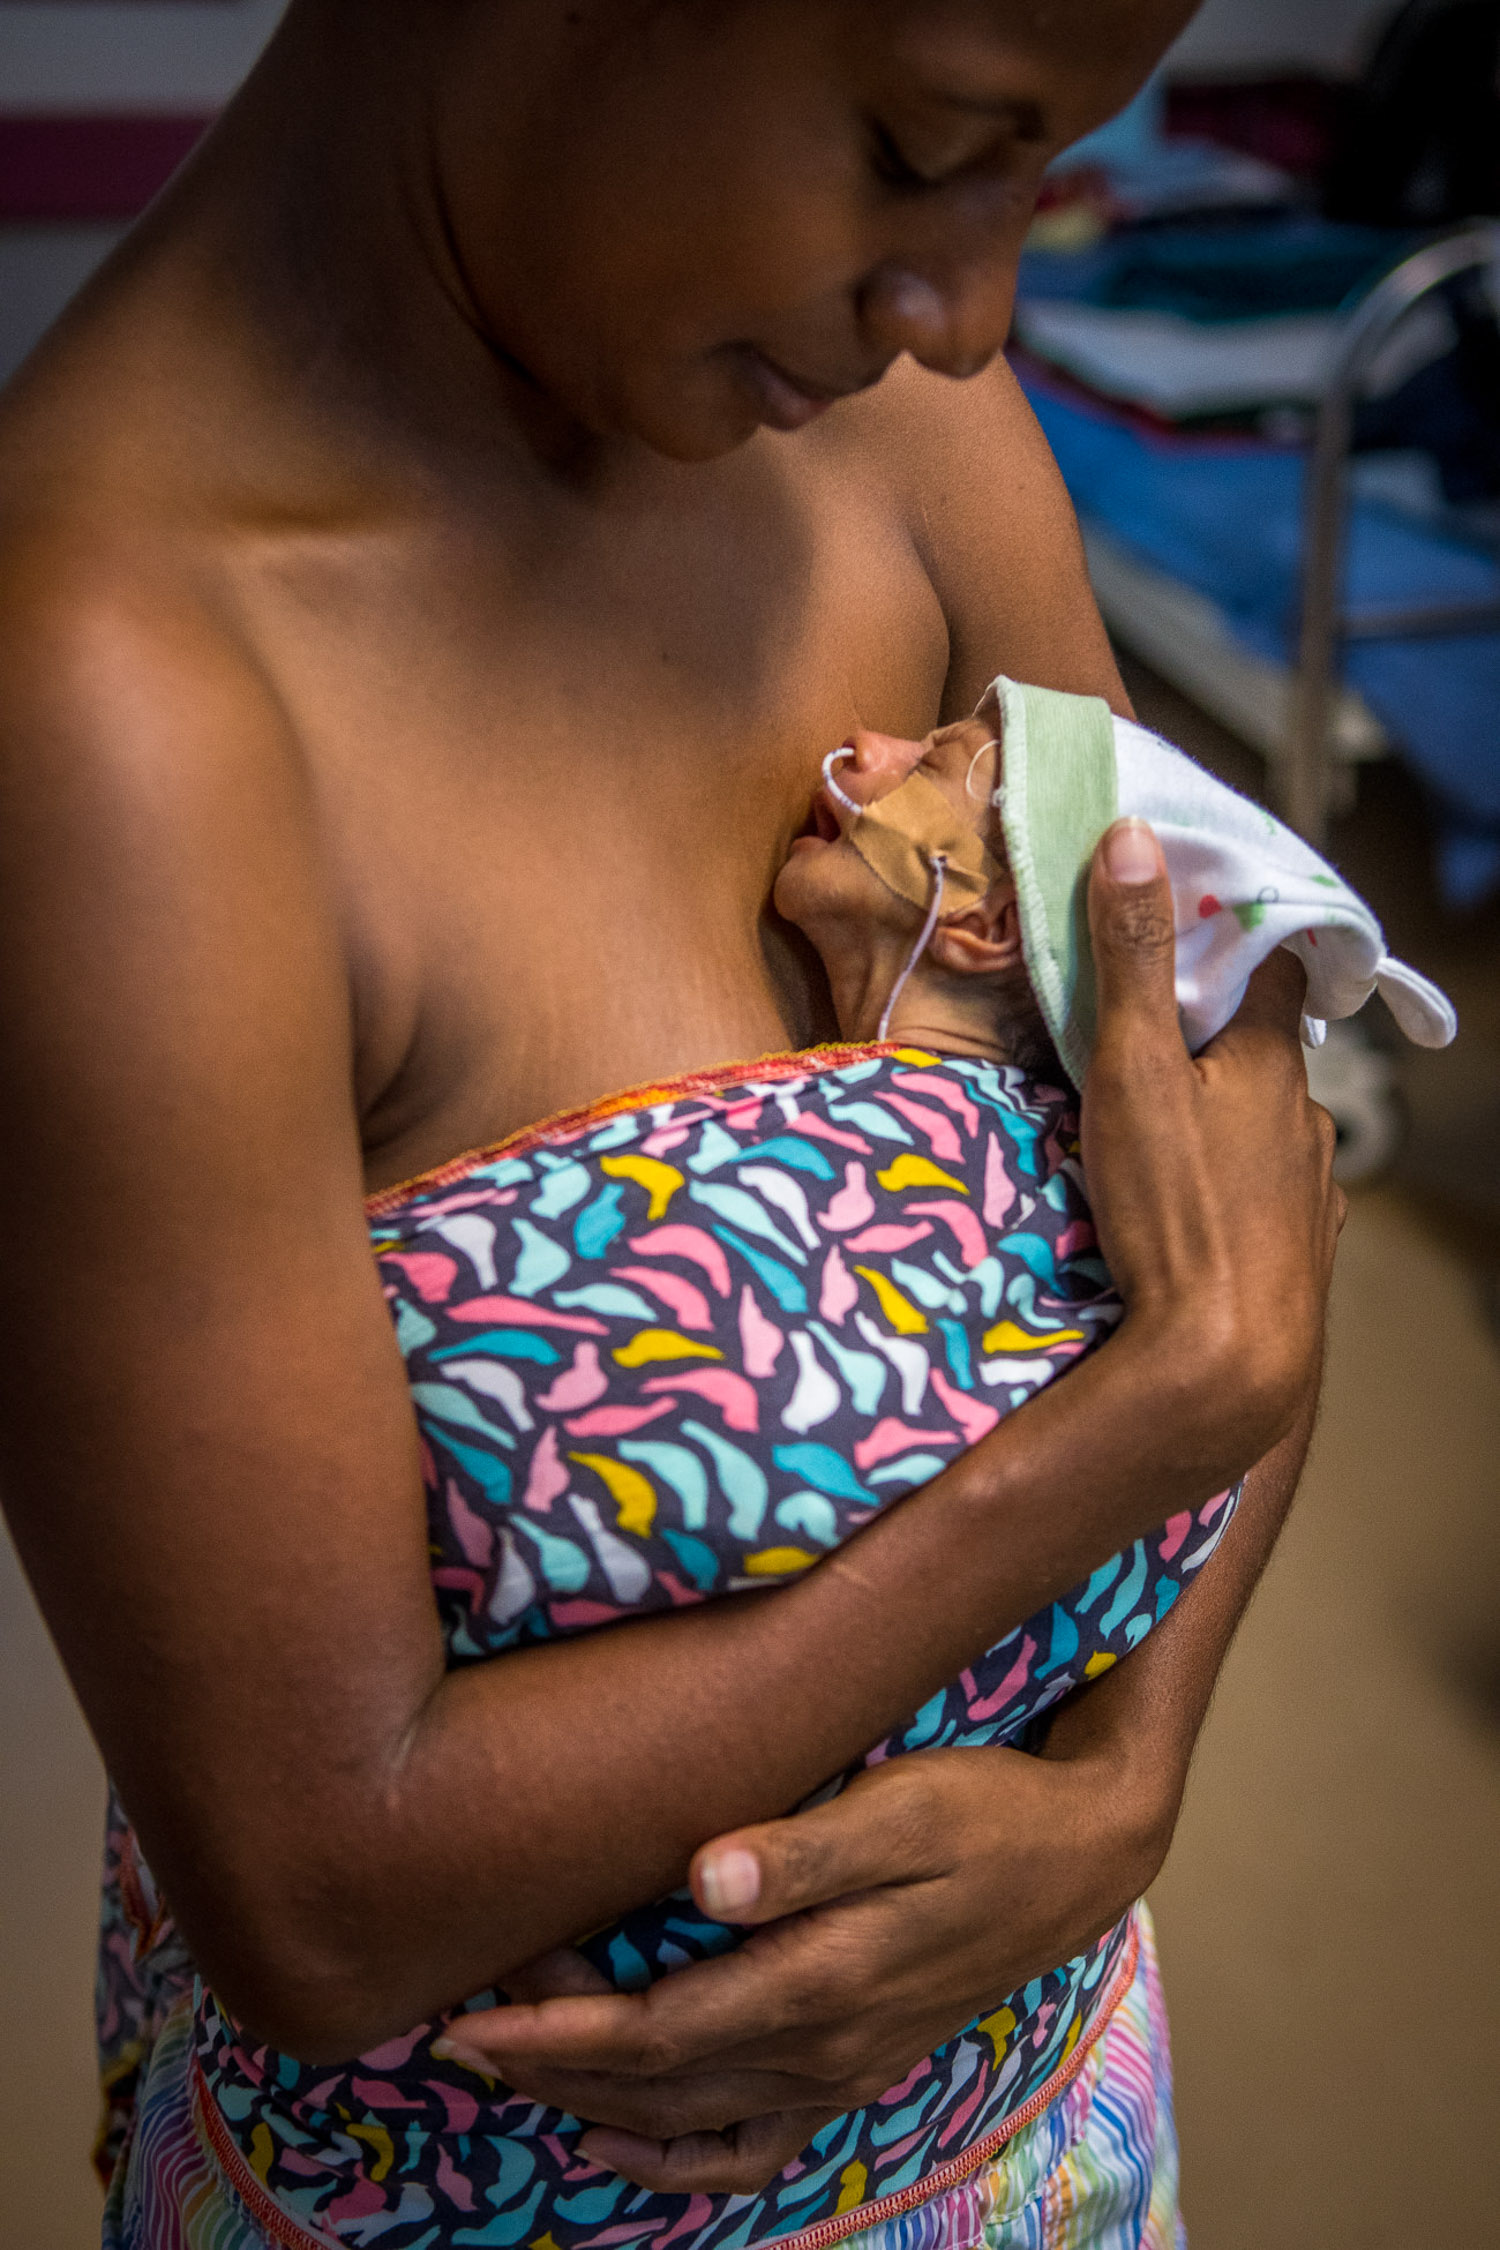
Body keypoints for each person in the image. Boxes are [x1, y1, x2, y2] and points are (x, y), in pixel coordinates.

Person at [0, 3, 1342, 2245]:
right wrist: (1127, 1443)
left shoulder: (909, 446)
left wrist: (1123, 1788)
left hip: (1057, 2135)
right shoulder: (114, 719)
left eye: (1041, 176)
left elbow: (1234, 1108)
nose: (974, 299)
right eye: (928, 146)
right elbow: (328, 1899)